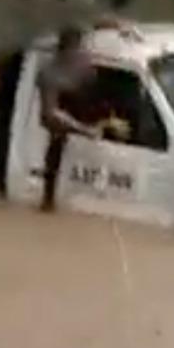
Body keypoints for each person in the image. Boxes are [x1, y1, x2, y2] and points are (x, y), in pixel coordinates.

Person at [37, 25, 101, 212]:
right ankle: (48, 199)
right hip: (58, 138)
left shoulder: (85, 68)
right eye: (79, 51)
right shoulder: (50, 75)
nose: (84, 56)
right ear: (67, 52)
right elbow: (51, 114)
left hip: (82, 127)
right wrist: (85, 130)